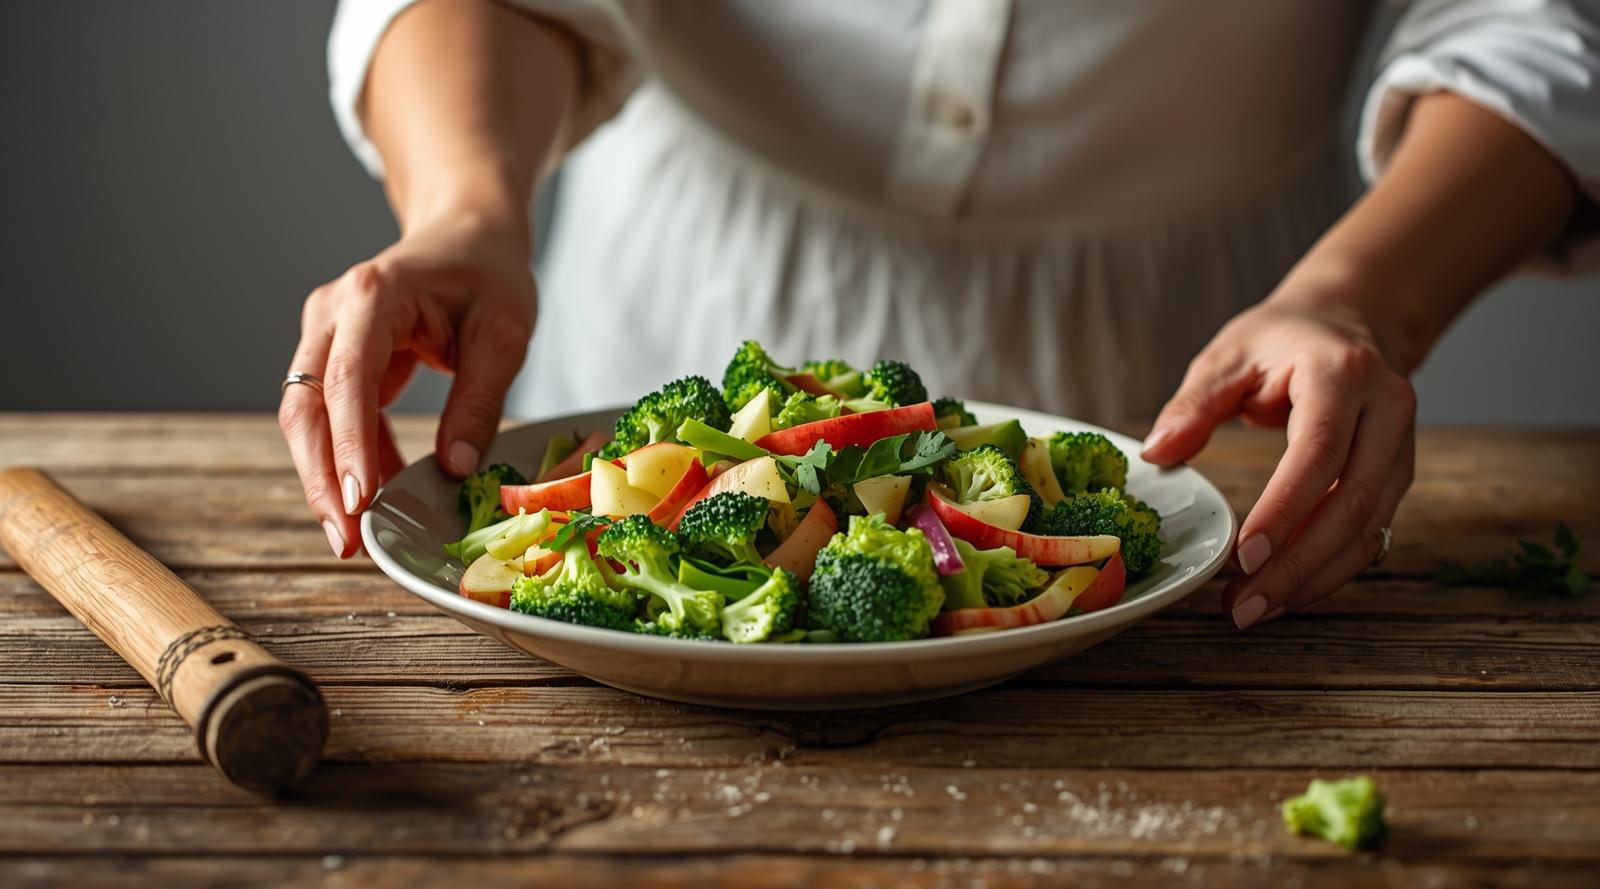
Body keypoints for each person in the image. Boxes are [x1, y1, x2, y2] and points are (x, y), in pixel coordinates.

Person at [281, 0, 1598, 629]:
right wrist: (464, 211)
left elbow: (1534, 26)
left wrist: (1356, 296)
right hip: (674, 275)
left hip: (1211, 353)